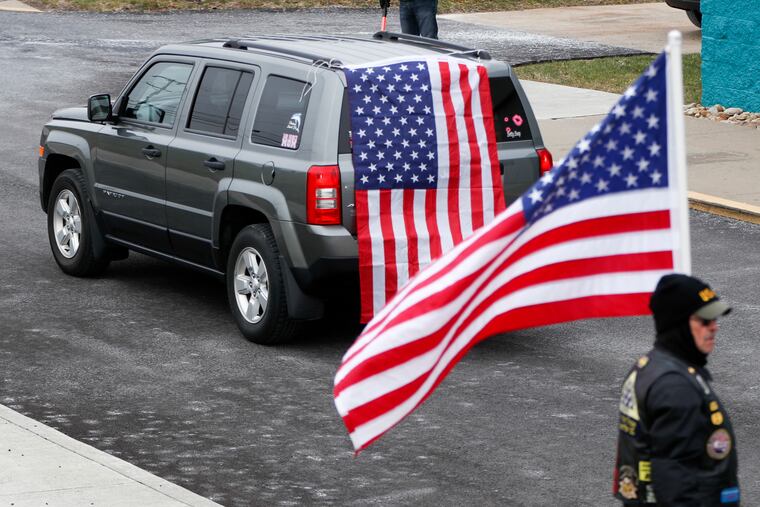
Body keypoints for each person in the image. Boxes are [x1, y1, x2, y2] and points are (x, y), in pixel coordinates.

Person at [614, 274, 739, 506]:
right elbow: (676, 481)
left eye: (715, 319)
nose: (714, 326)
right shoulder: (675, 386)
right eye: (705, 320)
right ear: (679, 324)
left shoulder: (649, 366)